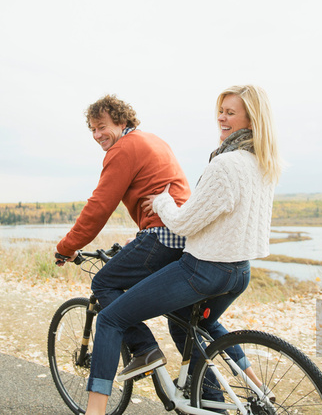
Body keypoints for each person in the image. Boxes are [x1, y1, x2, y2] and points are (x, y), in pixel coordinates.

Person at [84, 84, 282, 415]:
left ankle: (95, 410)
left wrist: (161, 202)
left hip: (203, 272)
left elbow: (183, 225)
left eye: (230, 112)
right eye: (220, 111)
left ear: (251, 118)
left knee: (110, 319)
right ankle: (227, 399)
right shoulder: (263, 164)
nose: (221, 117)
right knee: (187, 324)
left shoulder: (226, 164)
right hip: (239, 272)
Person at [54, 94, 191, 378]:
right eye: (92, 129)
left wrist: (67, 247)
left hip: (162, 235)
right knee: (184, 321)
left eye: (102, 126)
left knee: (104, 282)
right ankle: (208, 393)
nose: (97, 134)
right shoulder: (152, 140)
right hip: (185, 236)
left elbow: (99, 207)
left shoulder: (123, 149)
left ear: (121, 120)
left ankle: (145, 350)